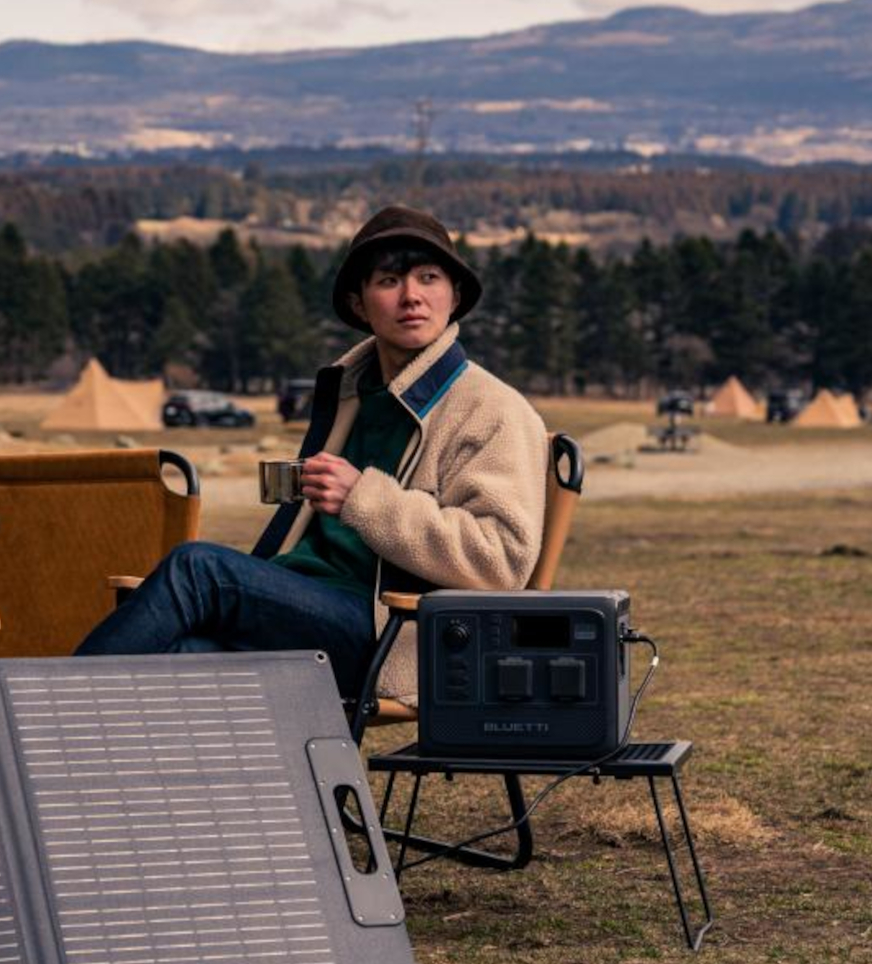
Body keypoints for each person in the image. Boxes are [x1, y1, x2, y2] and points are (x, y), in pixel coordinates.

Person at [74, 205, 550, 702]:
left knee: (198, 570)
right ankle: (66, 758)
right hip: (304, 601)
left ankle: (37, 709)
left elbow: (501, 560)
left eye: (429, 278)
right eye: (389, 281)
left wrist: (363, 497)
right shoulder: (352, 393)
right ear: (360, 304)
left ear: (454, 296)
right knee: (181, 656)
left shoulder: (491, 409)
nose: (411, 296)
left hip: (393, 629)